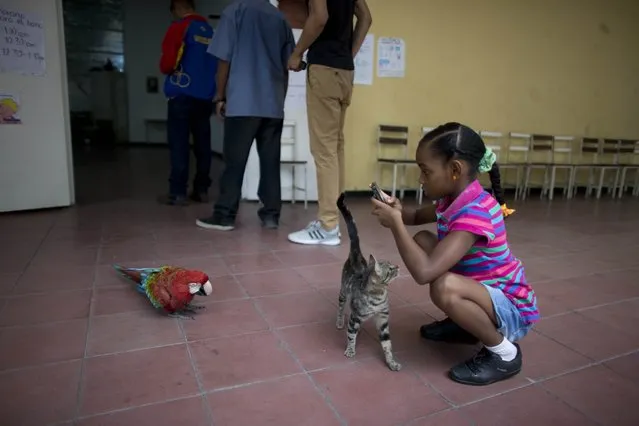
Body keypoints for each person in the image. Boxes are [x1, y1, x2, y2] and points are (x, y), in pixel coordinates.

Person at [370, 122, 539, 386]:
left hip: (511, 306)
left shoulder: (475, 211)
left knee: (444, 287)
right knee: (424, 239)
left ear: (455, 170)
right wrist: (396, 208)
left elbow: (424, 273)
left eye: (426, 171)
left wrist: (395, 224)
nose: (421, 179)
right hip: (484, 290)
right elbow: (414, 216)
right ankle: (464, 326)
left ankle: (504, 354)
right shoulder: (451, 200)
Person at [195, 0, 295, 231]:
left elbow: (224, 59)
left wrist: (220, 96)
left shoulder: (235, 11)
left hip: (242, 102)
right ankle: (271, 215)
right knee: (270, 162)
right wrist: (280, 100)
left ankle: (224, 216)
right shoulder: (280, 18)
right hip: (272, 105)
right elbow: (286, 66)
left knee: (234, 162)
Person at [287, 0, 373, 246]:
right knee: (335, 146)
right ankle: (333, 219)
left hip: (324, 68)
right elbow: (366, 17)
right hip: (345, 71)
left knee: (324, 149)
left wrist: (296, 53)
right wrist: (348, 54)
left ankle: (327, 225)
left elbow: (320, 16)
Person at [158, 0, 218, 206]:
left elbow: (167, 64)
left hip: (182, 94)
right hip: (205, 96)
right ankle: (201, 189)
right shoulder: (211, 32)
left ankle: (178, 192)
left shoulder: (179, 27)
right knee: (203, 144)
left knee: (179, 143)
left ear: (177, 9)